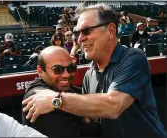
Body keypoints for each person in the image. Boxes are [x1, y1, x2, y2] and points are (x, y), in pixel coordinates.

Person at [22, 3, 167, 137]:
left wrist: (56, 100)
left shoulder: (133, 58)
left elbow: (114, 106)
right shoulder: (89, 74)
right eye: (77, 33)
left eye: (86, 31)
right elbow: (88, 116)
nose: (79, 39)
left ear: (110, 30)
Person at [22, 46, 100, 137]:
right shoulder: (37, 97)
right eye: (57, 69)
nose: (66, 75)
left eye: (71, 68)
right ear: (40, 71)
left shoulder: (69, 89)